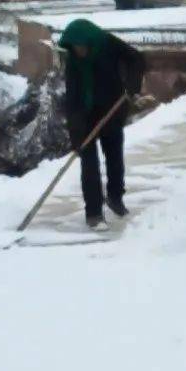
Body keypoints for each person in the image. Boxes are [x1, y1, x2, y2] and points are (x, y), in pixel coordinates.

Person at [59, 18, 145, 230]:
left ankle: (115, 197)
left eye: (81, 46)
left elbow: (136, 59)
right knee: (88, 164)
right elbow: (72, 98)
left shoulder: (107, 43)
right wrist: (75, 133)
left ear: (89, 42)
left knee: (114, 156)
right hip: (85, 116)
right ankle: (94, 213)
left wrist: (132, 86)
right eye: (74, 47)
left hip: (111, 110)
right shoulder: (73, 61)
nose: (78, 51)